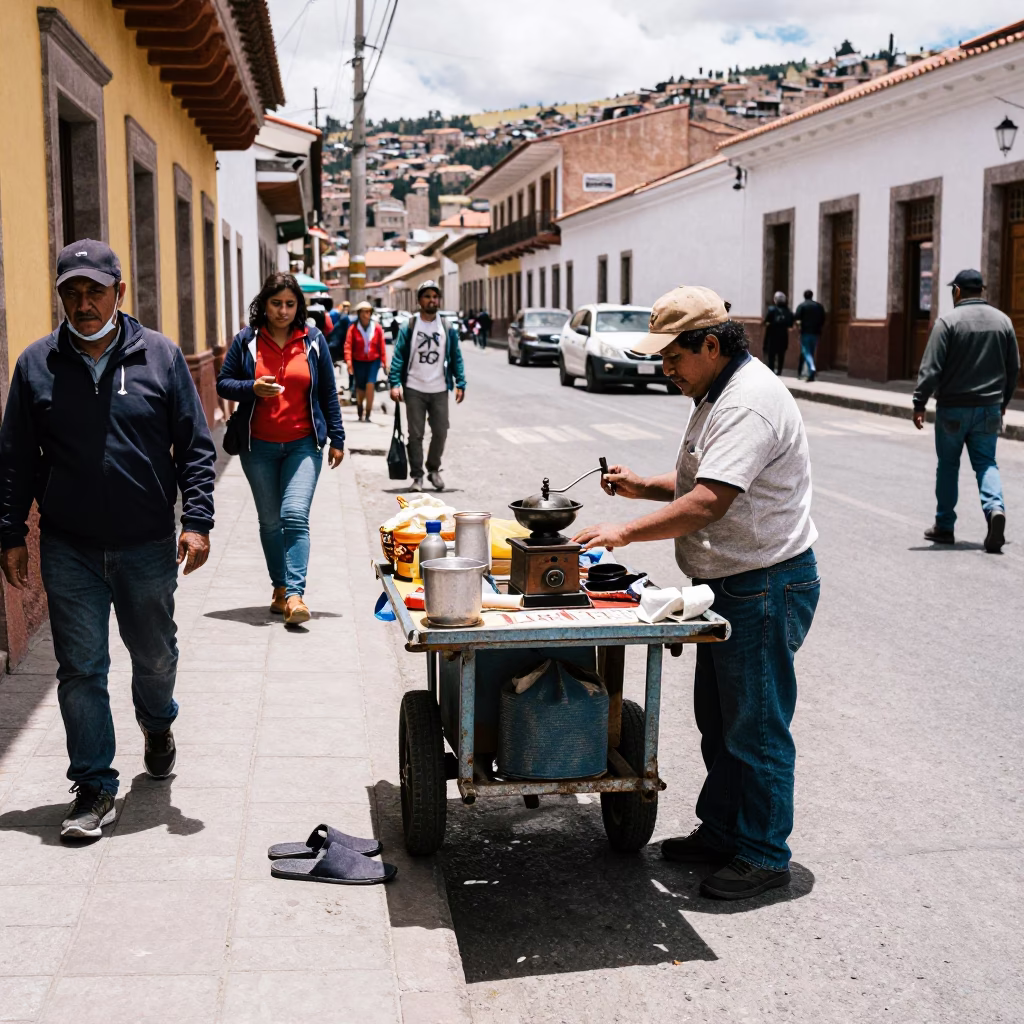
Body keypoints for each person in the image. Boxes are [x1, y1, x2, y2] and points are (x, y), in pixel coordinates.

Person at [573, 285, 819, 901]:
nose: (665, 369)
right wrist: (643, 487)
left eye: (672, 357)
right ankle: (723, 831)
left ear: (710, 344)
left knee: (756, 727)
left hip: (764, 583)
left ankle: (764, 854)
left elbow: (711, 501)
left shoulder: (750, 402)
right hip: (729, 583)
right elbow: (696, 481)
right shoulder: (715, 389)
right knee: (719, 719)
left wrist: (623, 530)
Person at [0, 239, 216, 840]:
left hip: (146, 543)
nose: (84, 302)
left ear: (120, 292)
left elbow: (196, 447)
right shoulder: (37, 364)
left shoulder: (161, 357)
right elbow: (15, 457)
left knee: (155, 657)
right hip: (68, 545)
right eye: (72, 292)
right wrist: (11, 530)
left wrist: (196, 520)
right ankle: (94, 785)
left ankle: (158, 722)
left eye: (95, 290)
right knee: (81, 668)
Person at [217, 273, 346, 625]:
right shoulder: (247, 341)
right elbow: (223, 383)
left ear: (298, 307)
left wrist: (338, 437)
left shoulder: (313, 340)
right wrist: (252, 388)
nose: (283, 311)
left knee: (294, 515)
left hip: (304, 444)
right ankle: (279, 587)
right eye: (277, 303)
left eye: (290, 304)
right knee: (270, 521)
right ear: (264, 304)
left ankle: (295, 595)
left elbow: (327, 393)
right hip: (257, 446)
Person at [912, 269, 1019, 553]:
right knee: (986, 463)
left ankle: (944, 526)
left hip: (953, 410)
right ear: (981, 290)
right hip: (989, 408)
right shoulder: (1004, 322)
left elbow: (931, 368)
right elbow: (1014, 368)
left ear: (957, 291)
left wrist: (919, 403)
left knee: (948, 465)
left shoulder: (947, 322)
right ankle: (995, 509)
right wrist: (1003, 401)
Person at [388, 280, 466, 492]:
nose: (432, 300)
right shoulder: (410, 326)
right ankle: (417, 476)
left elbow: (456, 356)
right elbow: (399, 356)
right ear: (419, 300)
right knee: (416, 434)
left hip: (439, 387)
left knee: (441, 431)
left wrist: (461, 382)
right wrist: (394, 382)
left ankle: (433, 469)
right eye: (427, 296)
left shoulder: (447, 327)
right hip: (414, 388)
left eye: (435, 296)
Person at [345, 300, 389, 422]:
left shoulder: (377, 328)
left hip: (373, 361)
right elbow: (348, 345)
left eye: (368, 312)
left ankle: (368, 413)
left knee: (370, 384)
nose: (366, 314)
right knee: (360, 388)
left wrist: (385, 362)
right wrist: (348, 361)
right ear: (359, 314)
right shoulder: (353, 329)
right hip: (358, 361)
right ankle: (360, 409)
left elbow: (382, 345)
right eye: (364, 312)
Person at [794, 289, 825, 382]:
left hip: (805, 332)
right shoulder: (818, 306)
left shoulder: (802, 306)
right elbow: (823, 319)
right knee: (811, 352)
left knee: (806, 352)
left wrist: (799, 329)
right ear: (812, 296)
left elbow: (797, 320)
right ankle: (810, 372)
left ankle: (811, 369)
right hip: (816, 333)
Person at [763, 291, 794, 375]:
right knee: (781, 354)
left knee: (771, 354)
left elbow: (766, 321)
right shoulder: (788, 311)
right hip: (783, 335)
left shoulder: (771, 309)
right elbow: (790, 324)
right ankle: (779, 370)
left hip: (772, 335)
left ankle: (771, 370)